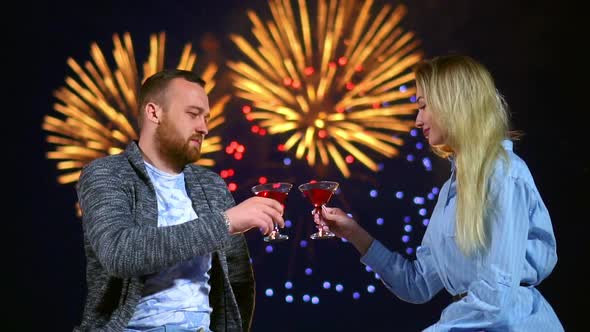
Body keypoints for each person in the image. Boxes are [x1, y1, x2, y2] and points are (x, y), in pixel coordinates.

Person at [321, 55, 563, 331]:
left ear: (452, 104)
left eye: (423, 106)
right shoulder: (452, 188)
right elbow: (417, 284)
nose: (417, 120)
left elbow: (496, 296)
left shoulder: (503, 173)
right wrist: (353, 233)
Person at [74, 69, 285, 332]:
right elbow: (120, 254)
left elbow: (238, 281)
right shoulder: (107, 174)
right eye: (193, 114)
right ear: (154, 113)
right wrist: (225, 223)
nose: (204, 128)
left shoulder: (211, 185)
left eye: (206, 117)